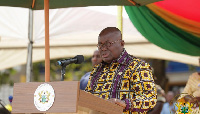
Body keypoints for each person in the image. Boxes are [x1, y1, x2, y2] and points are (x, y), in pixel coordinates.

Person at [85, 27, 157, 113]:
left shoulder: (137, 66)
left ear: (122, 44)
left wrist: (125, 103)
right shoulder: (96, 70)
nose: (103, 48)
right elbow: (87, 99)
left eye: (108, 44)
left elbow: (150, 98)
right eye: (100, 45)